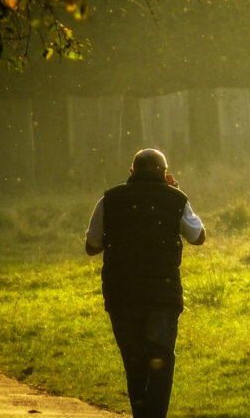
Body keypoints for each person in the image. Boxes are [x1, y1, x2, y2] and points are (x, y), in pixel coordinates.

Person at [85, 148, 206, 418]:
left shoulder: (109, 200)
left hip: (122, 295)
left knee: (135, 364)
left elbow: (92, 246)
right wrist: (176, 193)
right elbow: (198, 237)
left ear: (131, 172)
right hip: (162, 295)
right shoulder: (175, 198)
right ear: (165, 175)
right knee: (161, 362)